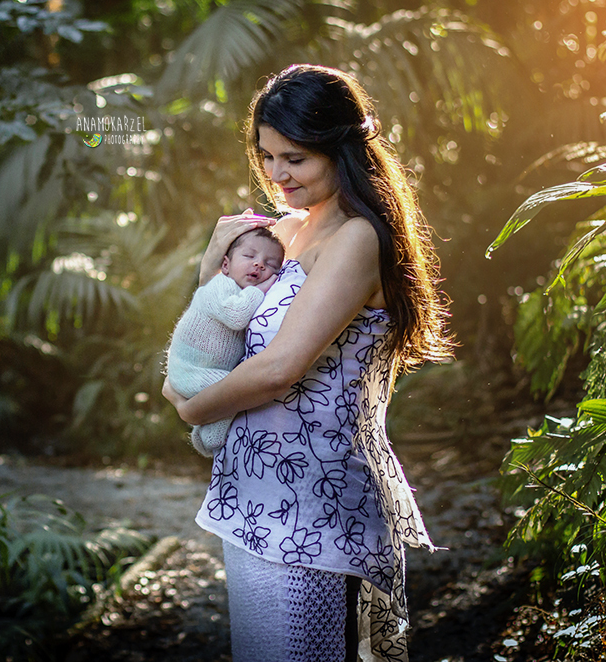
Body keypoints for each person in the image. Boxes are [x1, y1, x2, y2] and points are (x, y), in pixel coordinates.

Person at [162, 64, 453, 662]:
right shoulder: (283, 231)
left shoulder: (355, 238)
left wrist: (191, 407)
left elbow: (278, 368)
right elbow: (227, 330)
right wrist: (206, 277)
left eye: (294, 158)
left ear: (340, 149)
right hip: (253, 496)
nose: (275, 174)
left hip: (318, 509)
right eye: (266, 156)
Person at [166, 227, 285, 456]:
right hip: (190, 369)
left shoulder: (240, 292)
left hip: (204, 370)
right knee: (233, 389)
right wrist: (262, 287)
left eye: (271, 264)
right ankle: (209, 440)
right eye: (249, 256)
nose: (259, 264)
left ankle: (205, 432)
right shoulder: (220, 286)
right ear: (226, 266)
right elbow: (236, 316)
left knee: (231, 388)